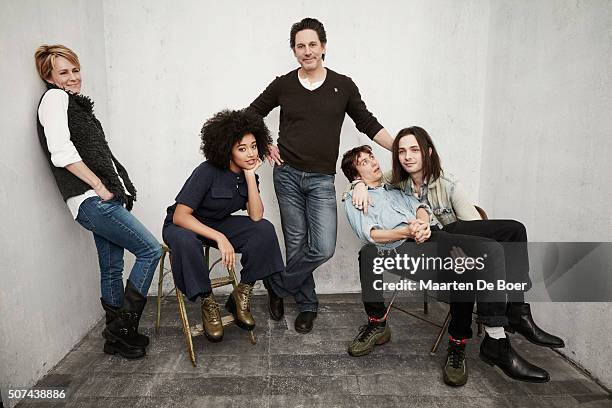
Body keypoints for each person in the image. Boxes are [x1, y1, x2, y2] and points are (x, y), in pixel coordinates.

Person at [341, 145, 552, 386]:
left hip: (432, 234)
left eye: (372, 157)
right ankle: (486, 340)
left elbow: (421, 208)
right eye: (365, 162)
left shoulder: (395, 187)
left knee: (506, 235)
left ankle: (510, 316)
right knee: (482, 255)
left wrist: (421, 223)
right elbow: (370, 234)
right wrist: (405, 231)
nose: (373, 162)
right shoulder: (356, 198)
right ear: (357, 175)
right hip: (402, 248)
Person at [247, 17, 395, 334]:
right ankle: (307, 305)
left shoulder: (343, 85)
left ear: (323, 47)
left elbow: (368, 124)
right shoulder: (283, 84)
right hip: (286, 175)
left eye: (312, 44)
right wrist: (265, 143)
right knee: (297, 244)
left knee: (323, 246)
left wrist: (403, 147)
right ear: (294, 50)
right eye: (300, 46)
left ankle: (278, 285)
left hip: (320, 180)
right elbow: (251, 113)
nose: (307, 51)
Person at [35, 44, 162, 359]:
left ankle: (115, 338)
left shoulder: (75, 105)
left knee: (111, 266)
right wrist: (99, 185)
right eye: (64, 72)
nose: (73, 77)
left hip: (95, 199)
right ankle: (123, 328)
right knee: (150, 250)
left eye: (75, 70)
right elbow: (61, 152)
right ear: (49, 77)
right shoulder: (54, 98)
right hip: (92, 199)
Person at [162, 109, 285, 342]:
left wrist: (250, 177)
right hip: (184, 226)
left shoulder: (248, 174)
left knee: (264, 230)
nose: (250, 153)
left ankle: (242, 293)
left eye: (253, 146)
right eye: (242, 148)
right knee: (187, 241)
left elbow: (256, 216)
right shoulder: (207, 171)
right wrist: (220, 237)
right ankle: (208, 303)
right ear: (227, 149)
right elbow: (180, 216)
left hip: (217, 224)